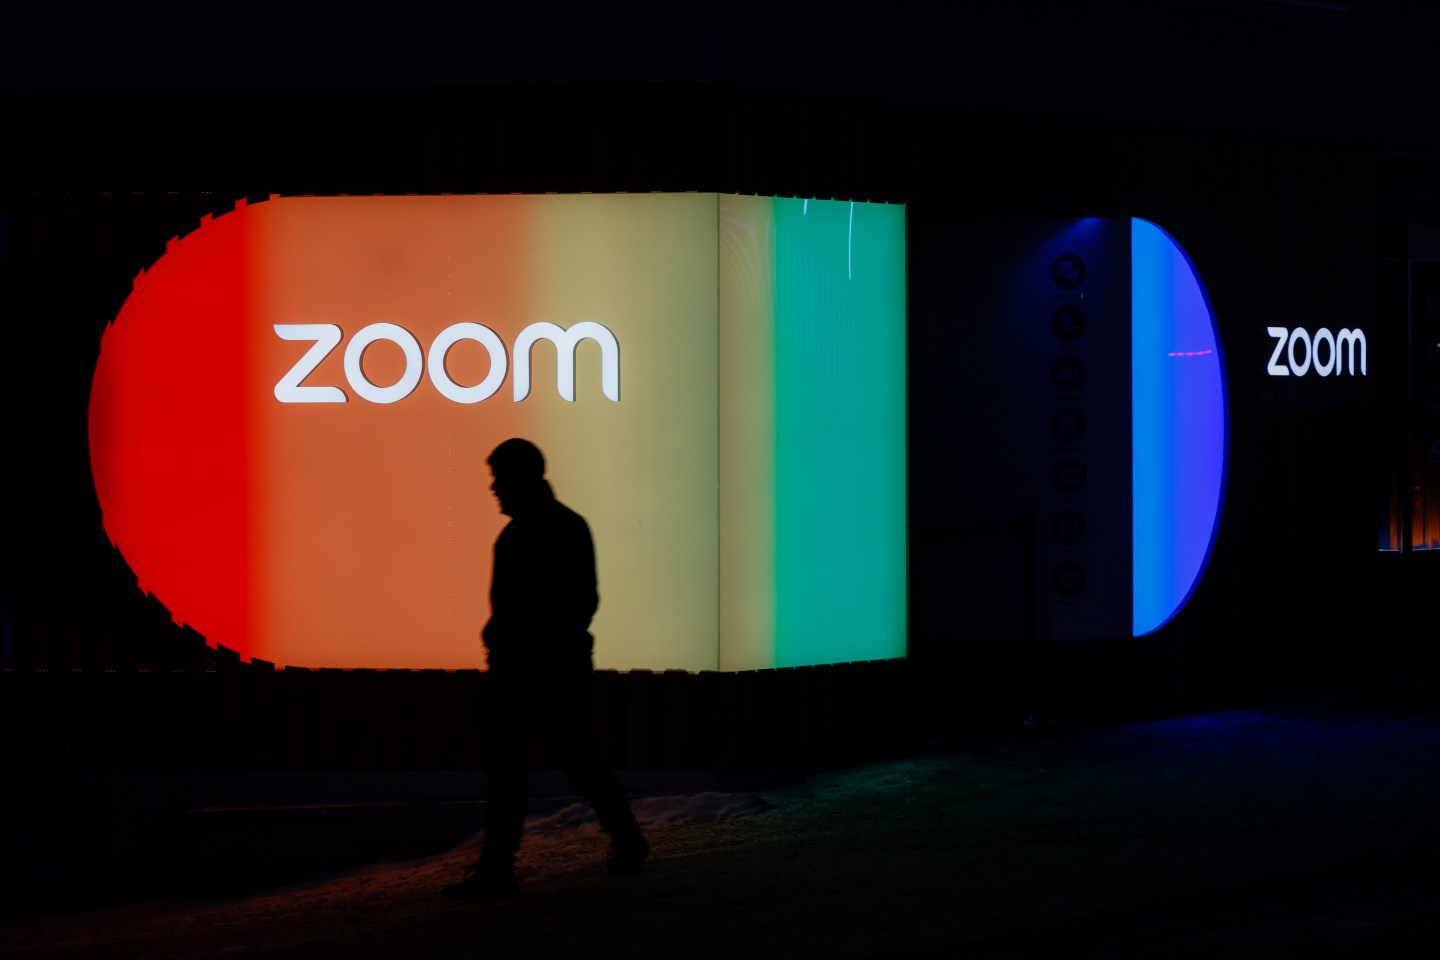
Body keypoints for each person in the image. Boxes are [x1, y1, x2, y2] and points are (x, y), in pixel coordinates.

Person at [444, 438, 648, 902]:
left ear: (522, 477)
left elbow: (573, 604)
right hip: (544, 668)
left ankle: (499, 870)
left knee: (522, 768)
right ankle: (625, 840)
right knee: (567, 760)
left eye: (499, 476)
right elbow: (580, 604)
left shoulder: (534, 532)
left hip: (535, 671)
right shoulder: (556, 527)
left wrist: (513, 649)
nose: (493, 487)